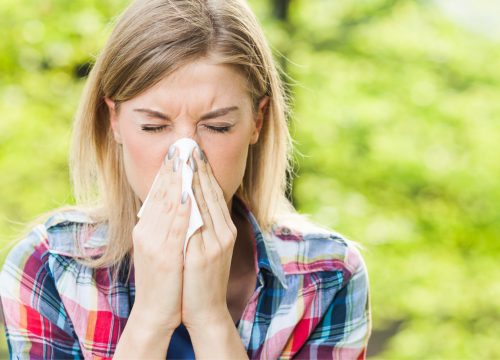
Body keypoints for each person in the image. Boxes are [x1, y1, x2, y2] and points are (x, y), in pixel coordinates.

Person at [0, 0, 371, 358]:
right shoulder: (49, 266)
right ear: (114, 121)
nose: (186, 157)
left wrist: (210, 319)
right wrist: (150, 320)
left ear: (257, 122)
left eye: (217, 126)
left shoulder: (328, 276)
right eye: (154, 126)